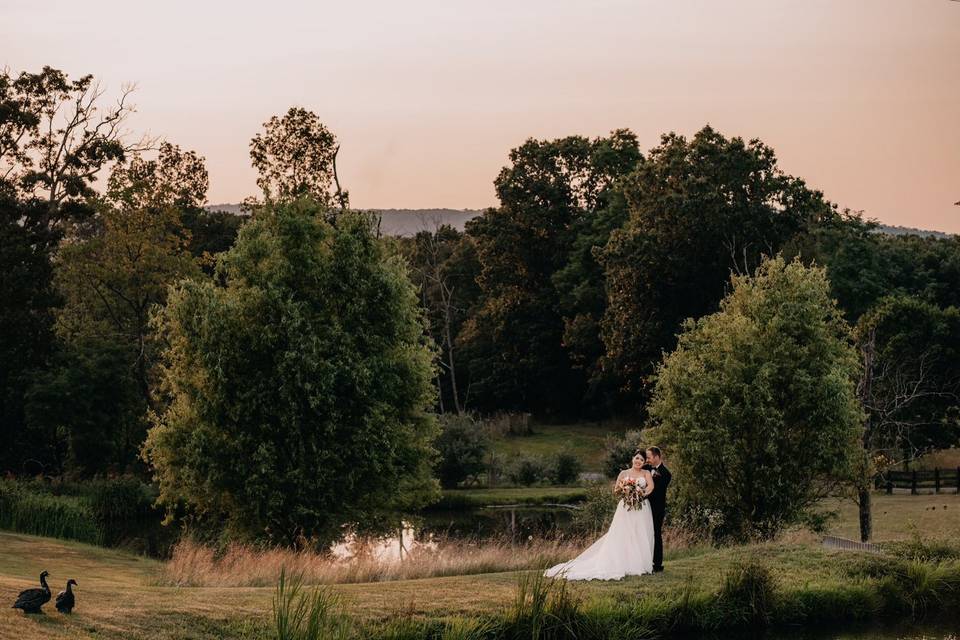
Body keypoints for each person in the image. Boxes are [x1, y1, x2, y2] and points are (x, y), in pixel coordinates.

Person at [544, 450, 655, 580]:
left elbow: (650, 487)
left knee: (639, 533)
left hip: (641, 507)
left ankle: (639, 564)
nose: (638, 462)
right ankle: (621, 562)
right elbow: (616, 490)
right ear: (632, 459)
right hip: (626, 507)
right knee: (623, 533)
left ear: (644, 462)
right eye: (637, 458)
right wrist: (627, 490)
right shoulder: (624, 473)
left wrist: (640, 493)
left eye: (641, 460)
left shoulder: (646, 473)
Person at [643, 446, 672, 573]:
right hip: (643, 508)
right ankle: (643, 561)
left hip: (656, 509)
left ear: (656, 457)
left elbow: (656, 493)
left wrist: (640, 493)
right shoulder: (646, 469)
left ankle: (657, 564)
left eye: (648, 457)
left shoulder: (666, 474)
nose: (647, 460)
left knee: (656, 534)